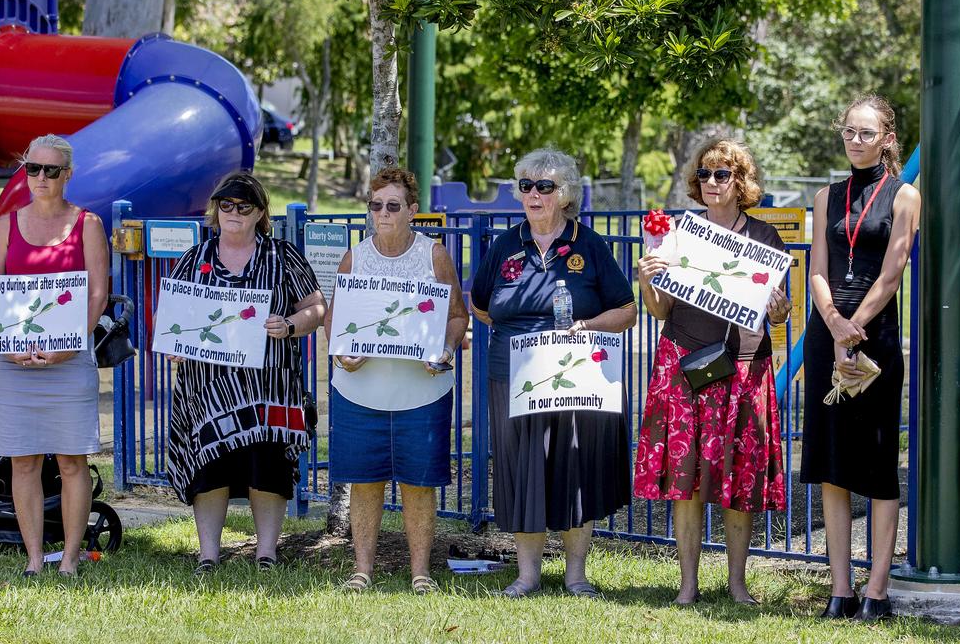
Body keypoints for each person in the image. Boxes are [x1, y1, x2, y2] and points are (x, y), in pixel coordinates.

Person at [471, 148, 637, 598]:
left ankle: (575, 575)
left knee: (574, 469)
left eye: (545, 187)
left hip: (576, 375)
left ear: (565, 194)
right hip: (513, 377)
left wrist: (586, 325)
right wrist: (521, 340)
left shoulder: (590, 244)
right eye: (526, 186)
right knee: (522, 471)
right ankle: (527, 575)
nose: (534, 195)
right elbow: (481, 305)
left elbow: (627, 311)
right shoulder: (505, 244)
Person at [632, 140, 792, 605]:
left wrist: (780, 311)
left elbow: (778, 315)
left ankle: (738, 584)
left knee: (739, 479)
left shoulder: (765, 238)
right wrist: (646, 276)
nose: (712, 183)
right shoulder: (678, 234)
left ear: (740, 182)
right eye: (704, 175)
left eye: (722, 174)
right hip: (683, 362)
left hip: (745, 366)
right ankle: (688, 585)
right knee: (686, 480)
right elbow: (661, 310)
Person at [165, 172, 326, 574]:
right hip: (208, 388)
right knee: (209, 467)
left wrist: (289, 325)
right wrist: (175, 346)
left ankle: (267, 552)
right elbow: (173, 318)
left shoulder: (283, 255)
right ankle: (208, 554)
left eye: (244, 206)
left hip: (268, 385)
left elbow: (317, 307)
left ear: (260, 213)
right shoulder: (194, 258)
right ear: (215, 210)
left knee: (266, 467)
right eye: (226, 205)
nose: (233, 212)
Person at [322, 167, 469, 595]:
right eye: (375, 205)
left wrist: (444, 349)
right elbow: (336, 318)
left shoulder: (433, 255)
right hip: (360, 391)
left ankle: (420, 573)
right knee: (364, 483)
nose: (382, 213)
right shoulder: (355, 256)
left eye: (392, 205)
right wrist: (342, 351)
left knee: (418, 486)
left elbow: (457, 316)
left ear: (412, 211)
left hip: (421, 392)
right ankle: (361, 571)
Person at [801, 95, 920, 621]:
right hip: (828, 332)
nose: (855, 140)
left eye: (866, 133)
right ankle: (840, 590)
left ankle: (875, 592)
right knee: (832, 465)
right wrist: (832, 323)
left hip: (874, 335)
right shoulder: (826, 196)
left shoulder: (905, 195)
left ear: (888, 139)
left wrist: (856, 329)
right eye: (848, 131)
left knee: (875, 466)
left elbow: (892, 274)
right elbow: (818, 270)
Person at [0, 134, 109, 577]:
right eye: (32, 168)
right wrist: (3, 344)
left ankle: (71, 559)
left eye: (50, 170)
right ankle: (35, 559)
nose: (39, 178)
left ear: (67, 175)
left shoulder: (88, 225)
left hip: (69, 362)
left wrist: (65, 348)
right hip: (14, 364)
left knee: (72, 461)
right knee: (24, 462)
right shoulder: (5, 224)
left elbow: (97, 295)